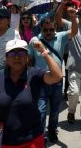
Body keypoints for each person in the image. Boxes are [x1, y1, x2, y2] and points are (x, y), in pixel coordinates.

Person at [0, 39, 63, 148]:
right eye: (12, 53)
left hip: (32, 139)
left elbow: (57, 76)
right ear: (6, 57)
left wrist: (44, 51)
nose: (17, 57)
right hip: (4, 140)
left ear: (27, 57)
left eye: (21, 53)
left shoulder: (35, 74)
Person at [28, 10, 77, 143]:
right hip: (40, 81)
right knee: (41, 110)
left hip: (57, 82)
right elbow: (29, 60)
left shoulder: (60, 37)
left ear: (55, 28)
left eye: (51, 29)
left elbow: (74, 31)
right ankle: (40, 134)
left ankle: (52, 130)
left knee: (55, 110)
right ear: (41, 29)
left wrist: (73, 17)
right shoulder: (34, 41)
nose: (49, 32)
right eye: (46, 30)